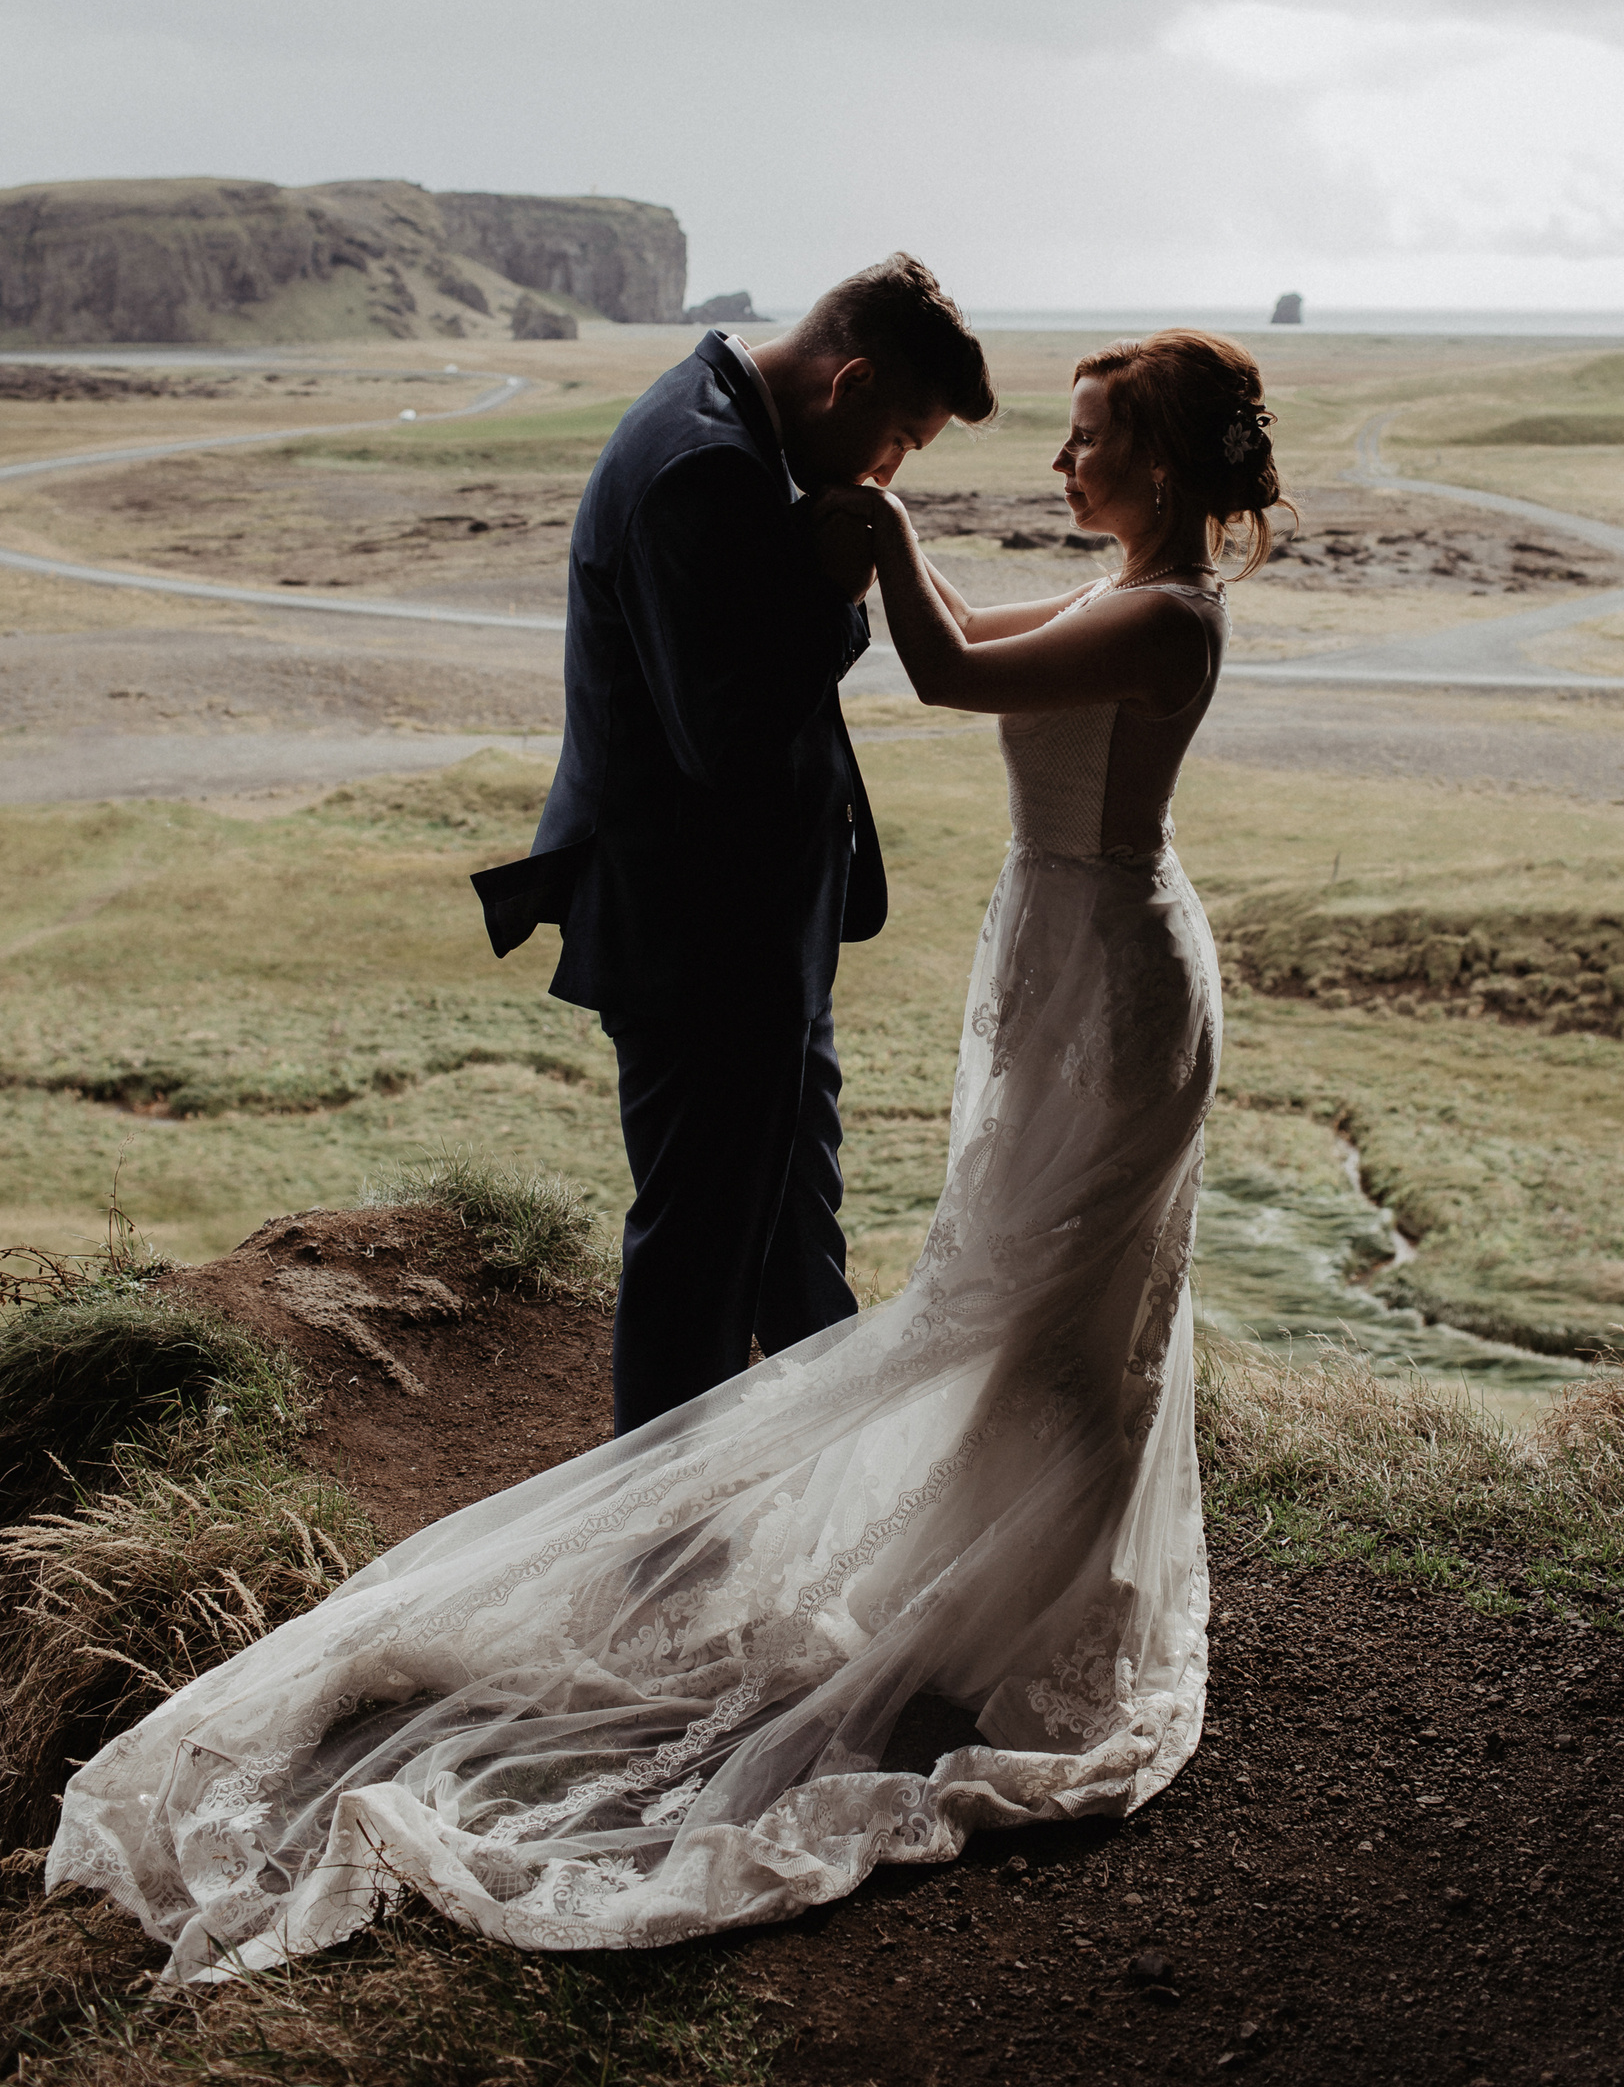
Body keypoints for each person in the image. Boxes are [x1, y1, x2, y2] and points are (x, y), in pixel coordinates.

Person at [48, 329, 1287, 1983]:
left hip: (1112, 981)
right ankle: (993, 1597)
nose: (1062, 466)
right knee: (1019, 1289)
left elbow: (954, 673)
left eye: (1086, 442)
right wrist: (895, 561)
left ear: (1159, 464)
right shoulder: (1122, 588)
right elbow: (993, 640)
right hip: (1063, 952)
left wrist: (886, 541)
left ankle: (1026, 1618)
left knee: (1051, 1307)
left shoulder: (1165, 613)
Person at [472, 256, 995, 1432]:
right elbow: (728, 739)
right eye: (900, 436)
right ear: (849, 379)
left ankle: (817, 1510)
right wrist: (831, 595)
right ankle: (659, 1556)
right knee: (699, 1267)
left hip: (759, 939)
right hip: (699, 944)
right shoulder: (702, 463)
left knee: (796, 1242)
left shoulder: (729, 434)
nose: (890, 470)